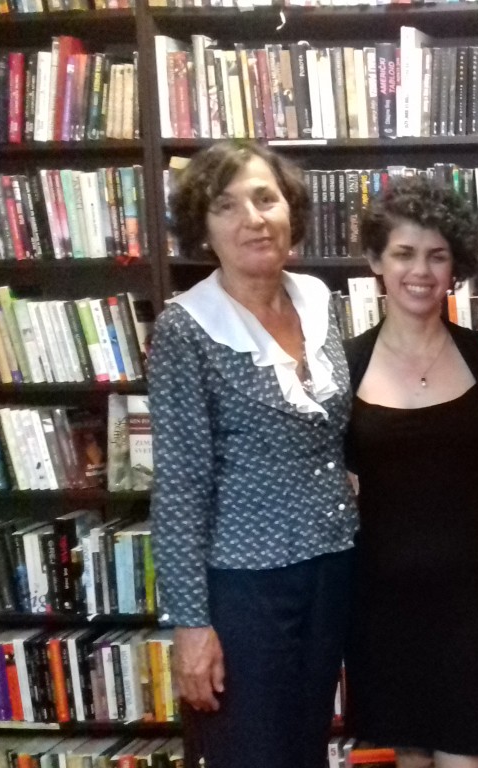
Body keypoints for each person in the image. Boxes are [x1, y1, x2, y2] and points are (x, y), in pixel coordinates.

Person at [150, 141, 357, 768]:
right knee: (252, 752)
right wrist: (191, 624)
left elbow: (335, 432)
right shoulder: (186, 328)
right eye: (227, 206)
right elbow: (180, 486)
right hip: (245, 586)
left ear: (290, 209)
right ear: (203, 228)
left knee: (307, 744)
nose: (253, 219)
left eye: (266, 199)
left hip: (331, 569)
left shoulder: (317, 300)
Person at [343, 176, 478, 768]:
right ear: (376, 261)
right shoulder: (344, 363)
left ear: (455, 266)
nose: (420, 271)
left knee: (468, 757)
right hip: (378, 603)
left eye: (437, 255)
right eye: (404, 253)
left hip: (472, 599)